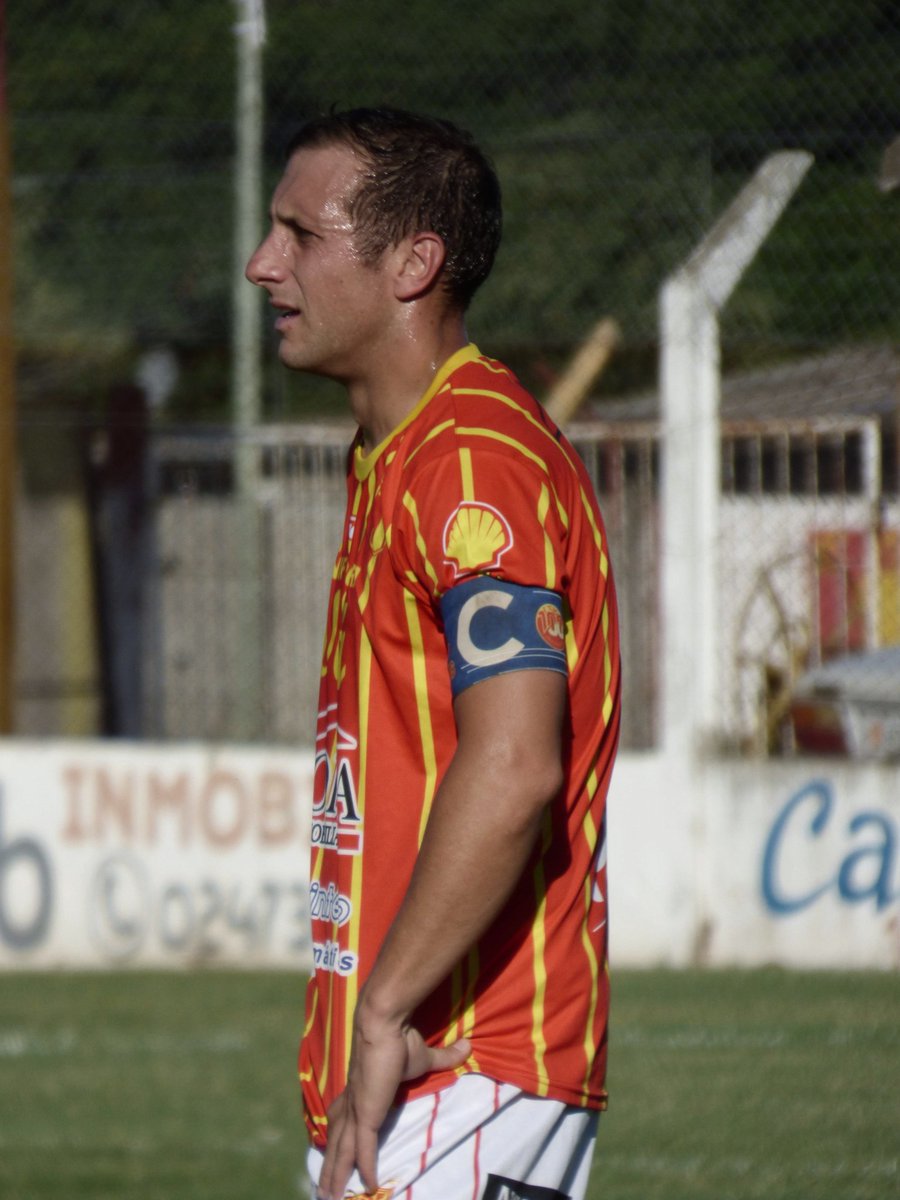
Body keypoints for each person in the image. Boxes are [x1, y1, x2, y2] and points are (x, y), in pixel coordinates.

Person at [246, 107, 621, 1200]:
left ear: (414, 264)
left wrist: (385, 1005)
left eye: (299, 234)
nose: (263, 264)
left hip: (463, 1059)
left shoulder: (471, 466)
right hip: (414, 1067)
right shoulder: (400, 454)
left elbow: (514, 766)